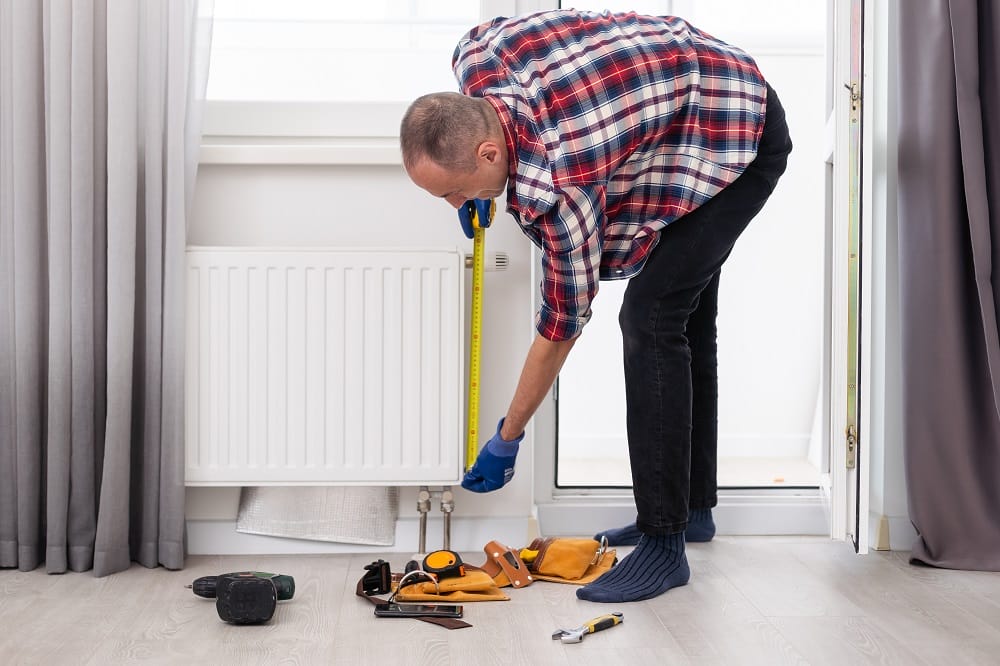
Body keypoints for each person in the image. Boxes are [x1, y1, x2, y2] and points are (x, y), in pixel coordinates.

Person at [400, 9, 792, 603]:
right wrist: (478, 190)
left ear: (487, 151)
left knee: (651, 318)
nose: (452, 203)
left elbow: (561, 326)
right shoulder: (478, 54)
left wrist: (508, 435)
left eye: (452, 190)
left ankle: (665, 545)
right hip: (683, 96)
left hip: (738, 127)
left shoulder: (561, 185)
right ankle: (691, 509)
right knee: (688, 317)